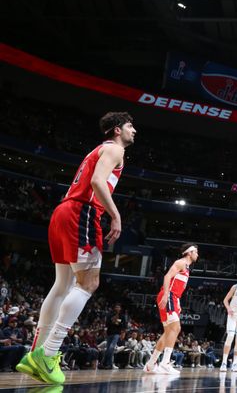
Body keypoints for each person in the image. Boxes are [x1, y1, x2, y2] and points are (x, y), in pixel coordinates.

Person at [17, 112, 135, 385]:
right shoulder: (114, 148)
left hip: (64, 210)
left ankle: (36, 352)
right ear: (117, 130)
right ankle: (48, 353)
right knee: (89, 283)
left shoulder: (99, 149)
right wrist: (115, 215)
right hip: (81, 212)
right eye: (130, 126)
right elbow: (96, 182)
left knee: (62, 285)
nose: (134, 131)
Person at [143, 243, 200, 375]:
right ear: (189, 252)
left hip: (174, 298)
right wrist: (167, 295)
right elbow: (167, 276)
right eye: (196, 252)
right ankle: (165, 363)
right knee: (176, 328)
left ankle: (151, 364)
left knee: (168, 332)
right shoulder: (180, 262)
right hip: (169, 295)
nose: (197, 254)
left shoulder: (186, 267)